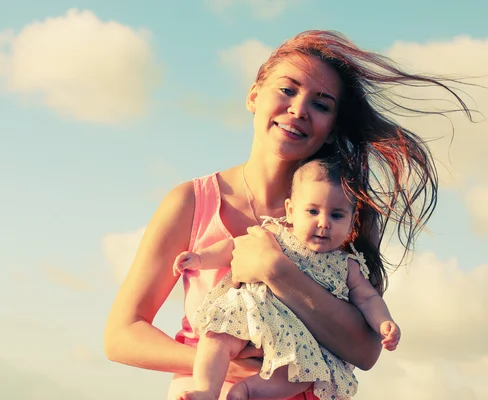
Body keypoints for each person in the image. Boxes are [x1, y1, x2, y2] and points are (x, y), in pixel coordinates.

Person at [104, 30, 472, 400]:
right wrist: (219, 362)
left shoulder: (350, 214)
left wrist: (275, 269)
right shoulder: (191, 202)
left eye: (322, 104)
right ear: (253, 95)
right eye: (287, 90)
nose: (299, 109)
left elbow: (365, 350)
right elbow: (122, 335)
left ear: (330, 130)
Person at [171, 157, 401, 400]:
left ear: (352, 220)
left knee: (298, 375)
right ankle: (206, 391)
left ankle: (246, 392)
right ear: (290, 211)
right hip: (252, 314)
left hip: (299, 340)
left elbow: (368, 299)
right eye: (312, 211)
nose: (323, 223)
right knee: (216, 336)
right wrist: (200, 258)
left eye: (336, 215)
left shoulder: (347, 265)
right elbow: (233, 247)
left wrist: (384, 322)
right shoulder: (275, 235)